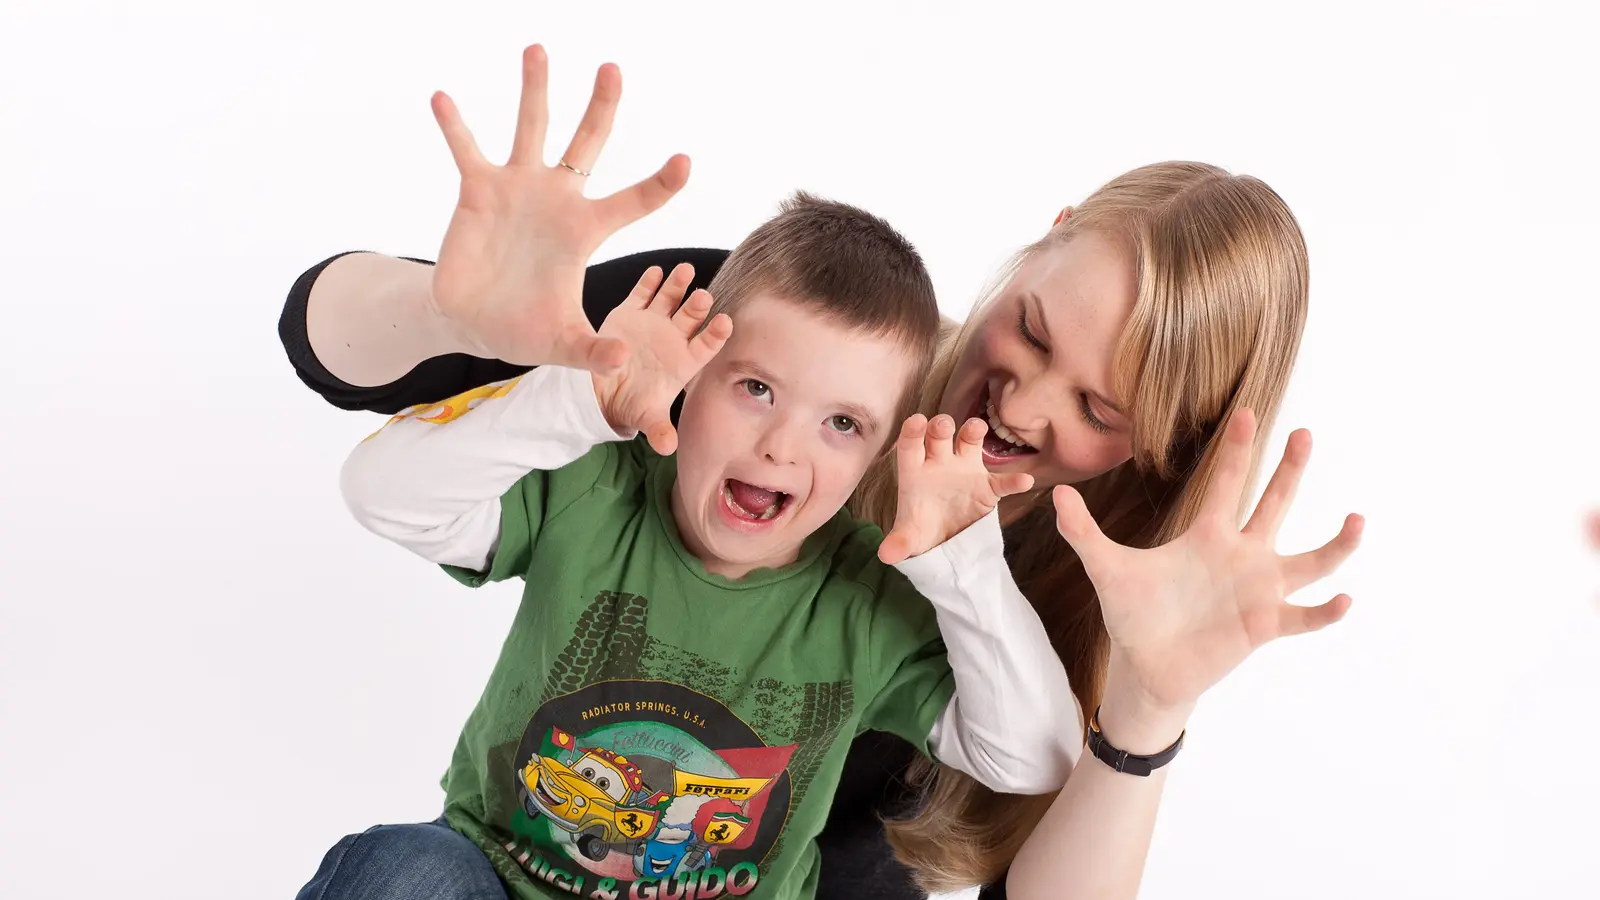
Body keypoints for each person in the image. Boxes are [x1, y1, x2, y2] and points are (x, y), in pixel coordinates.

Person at [280, 44, 1362, 900]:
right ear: (1048, 235)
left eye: (1097, 408)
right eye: (1032, 330)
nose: (1020, 405)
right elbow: (341, 372)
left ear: (1157, 444)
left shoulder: (961, 601)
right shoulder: (735, 335)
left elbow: (1029, 771)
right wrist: (455, 316)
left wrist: (1143, 705)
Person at [315, 193, 1083, 900]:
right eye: (755, 388)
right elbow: (382, 492)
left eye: (842, 423)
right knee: (402, 870)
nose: (782, 446)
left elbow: (1035, 755)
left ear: (882, 453)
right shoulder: (594, 487)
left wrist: (964, 558)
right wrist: (580, 402)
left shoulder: (869, 600)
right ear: (692, 375)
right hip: (497, 879)